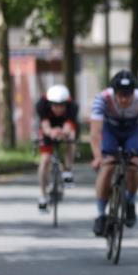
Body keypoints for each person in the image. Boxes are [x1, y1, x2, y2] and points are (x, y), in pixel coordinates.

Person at [89, 70, 138, 235]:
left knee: (133, 165)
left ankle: (130, 201)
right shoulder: (102, 99)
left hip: (132, 131)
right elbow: (95, 133)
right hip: (110, 131)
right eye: (120, 95)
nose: (124, 99)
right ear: (114, 92)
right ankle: (101, 215)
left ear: (134, 92)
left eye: (128, 95)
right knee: (107, 167)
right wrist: (97, 157)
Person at [36, 84, 79, 213]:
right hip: (48, 128)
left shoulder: (73, 106)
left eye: (61, 106)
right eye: (55, 106)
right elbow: (45, 126)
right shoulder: (41, 105)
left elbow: (69, 126)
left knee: (71, 139)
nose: (59, 109)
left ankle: (67, 170)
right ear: (50, 104)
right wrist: (51, 132)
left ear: (66, 104)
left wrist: (63, 133)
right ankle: (43, 195)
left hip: (64, 127)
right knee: (45, 160)